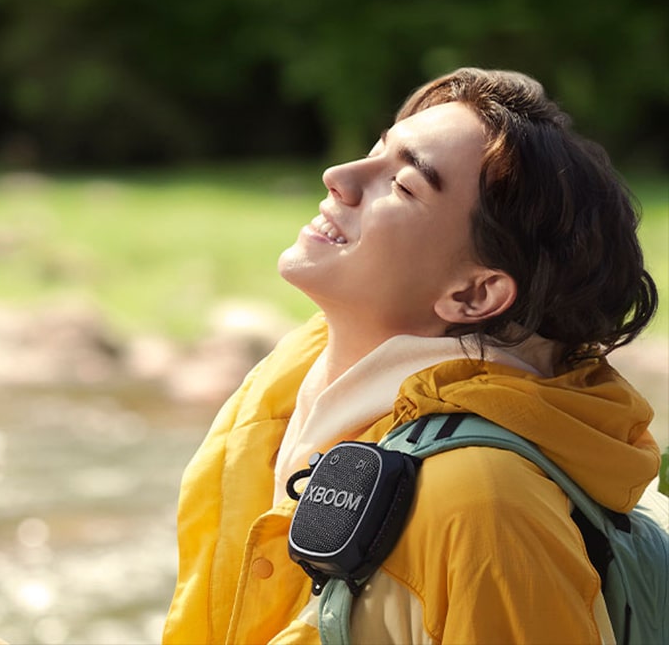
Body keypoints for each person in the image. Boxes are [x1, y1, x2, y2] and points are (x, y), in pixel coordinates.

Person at [163, 67, 661, 644]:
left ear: (475, 294)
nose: (337, 177)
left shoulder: (483, 502)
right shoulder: (287, 383)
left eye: (403, 186)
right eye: (377, 151)